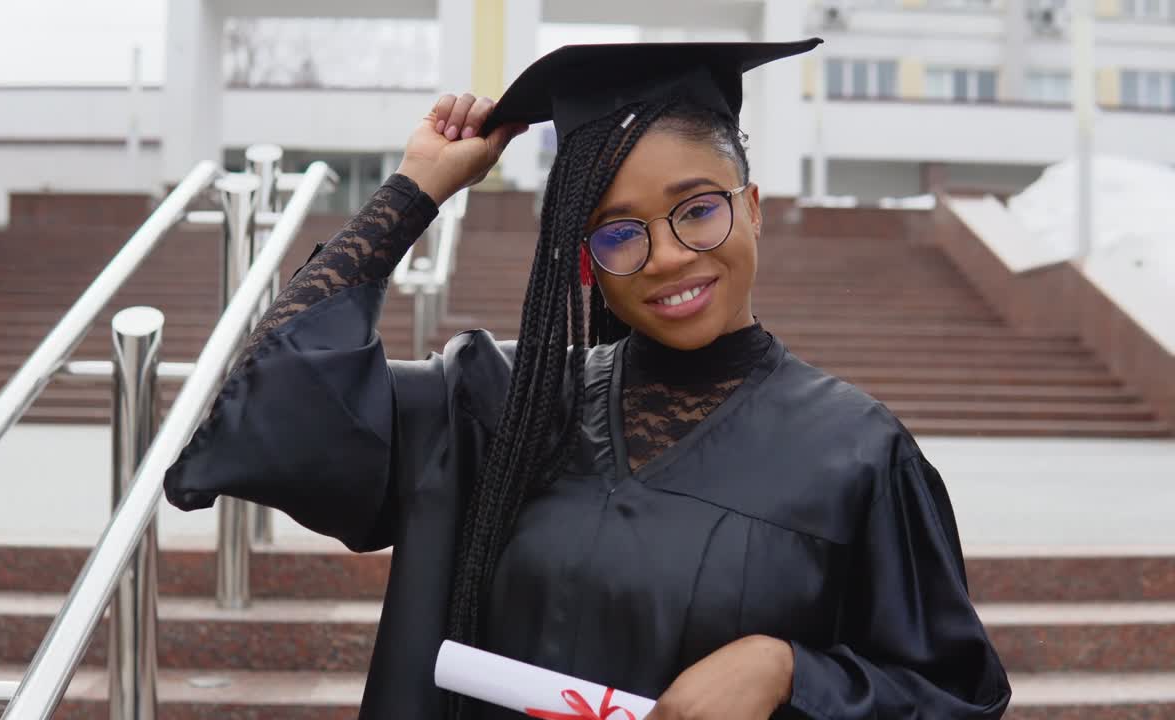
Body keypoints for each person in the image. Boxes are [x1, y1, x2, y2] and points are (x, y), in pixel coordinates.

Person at [164, 40, 1011, 720]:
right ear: (587, 264)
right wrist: (417, 190)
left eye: (699, 208)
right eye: (618, 232)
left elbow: (952, 695)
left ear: (751, 207)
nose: (668, 254)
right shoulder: (496, 403)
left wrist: (789, 671)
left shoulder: (855, 453)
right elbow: (280, 400)